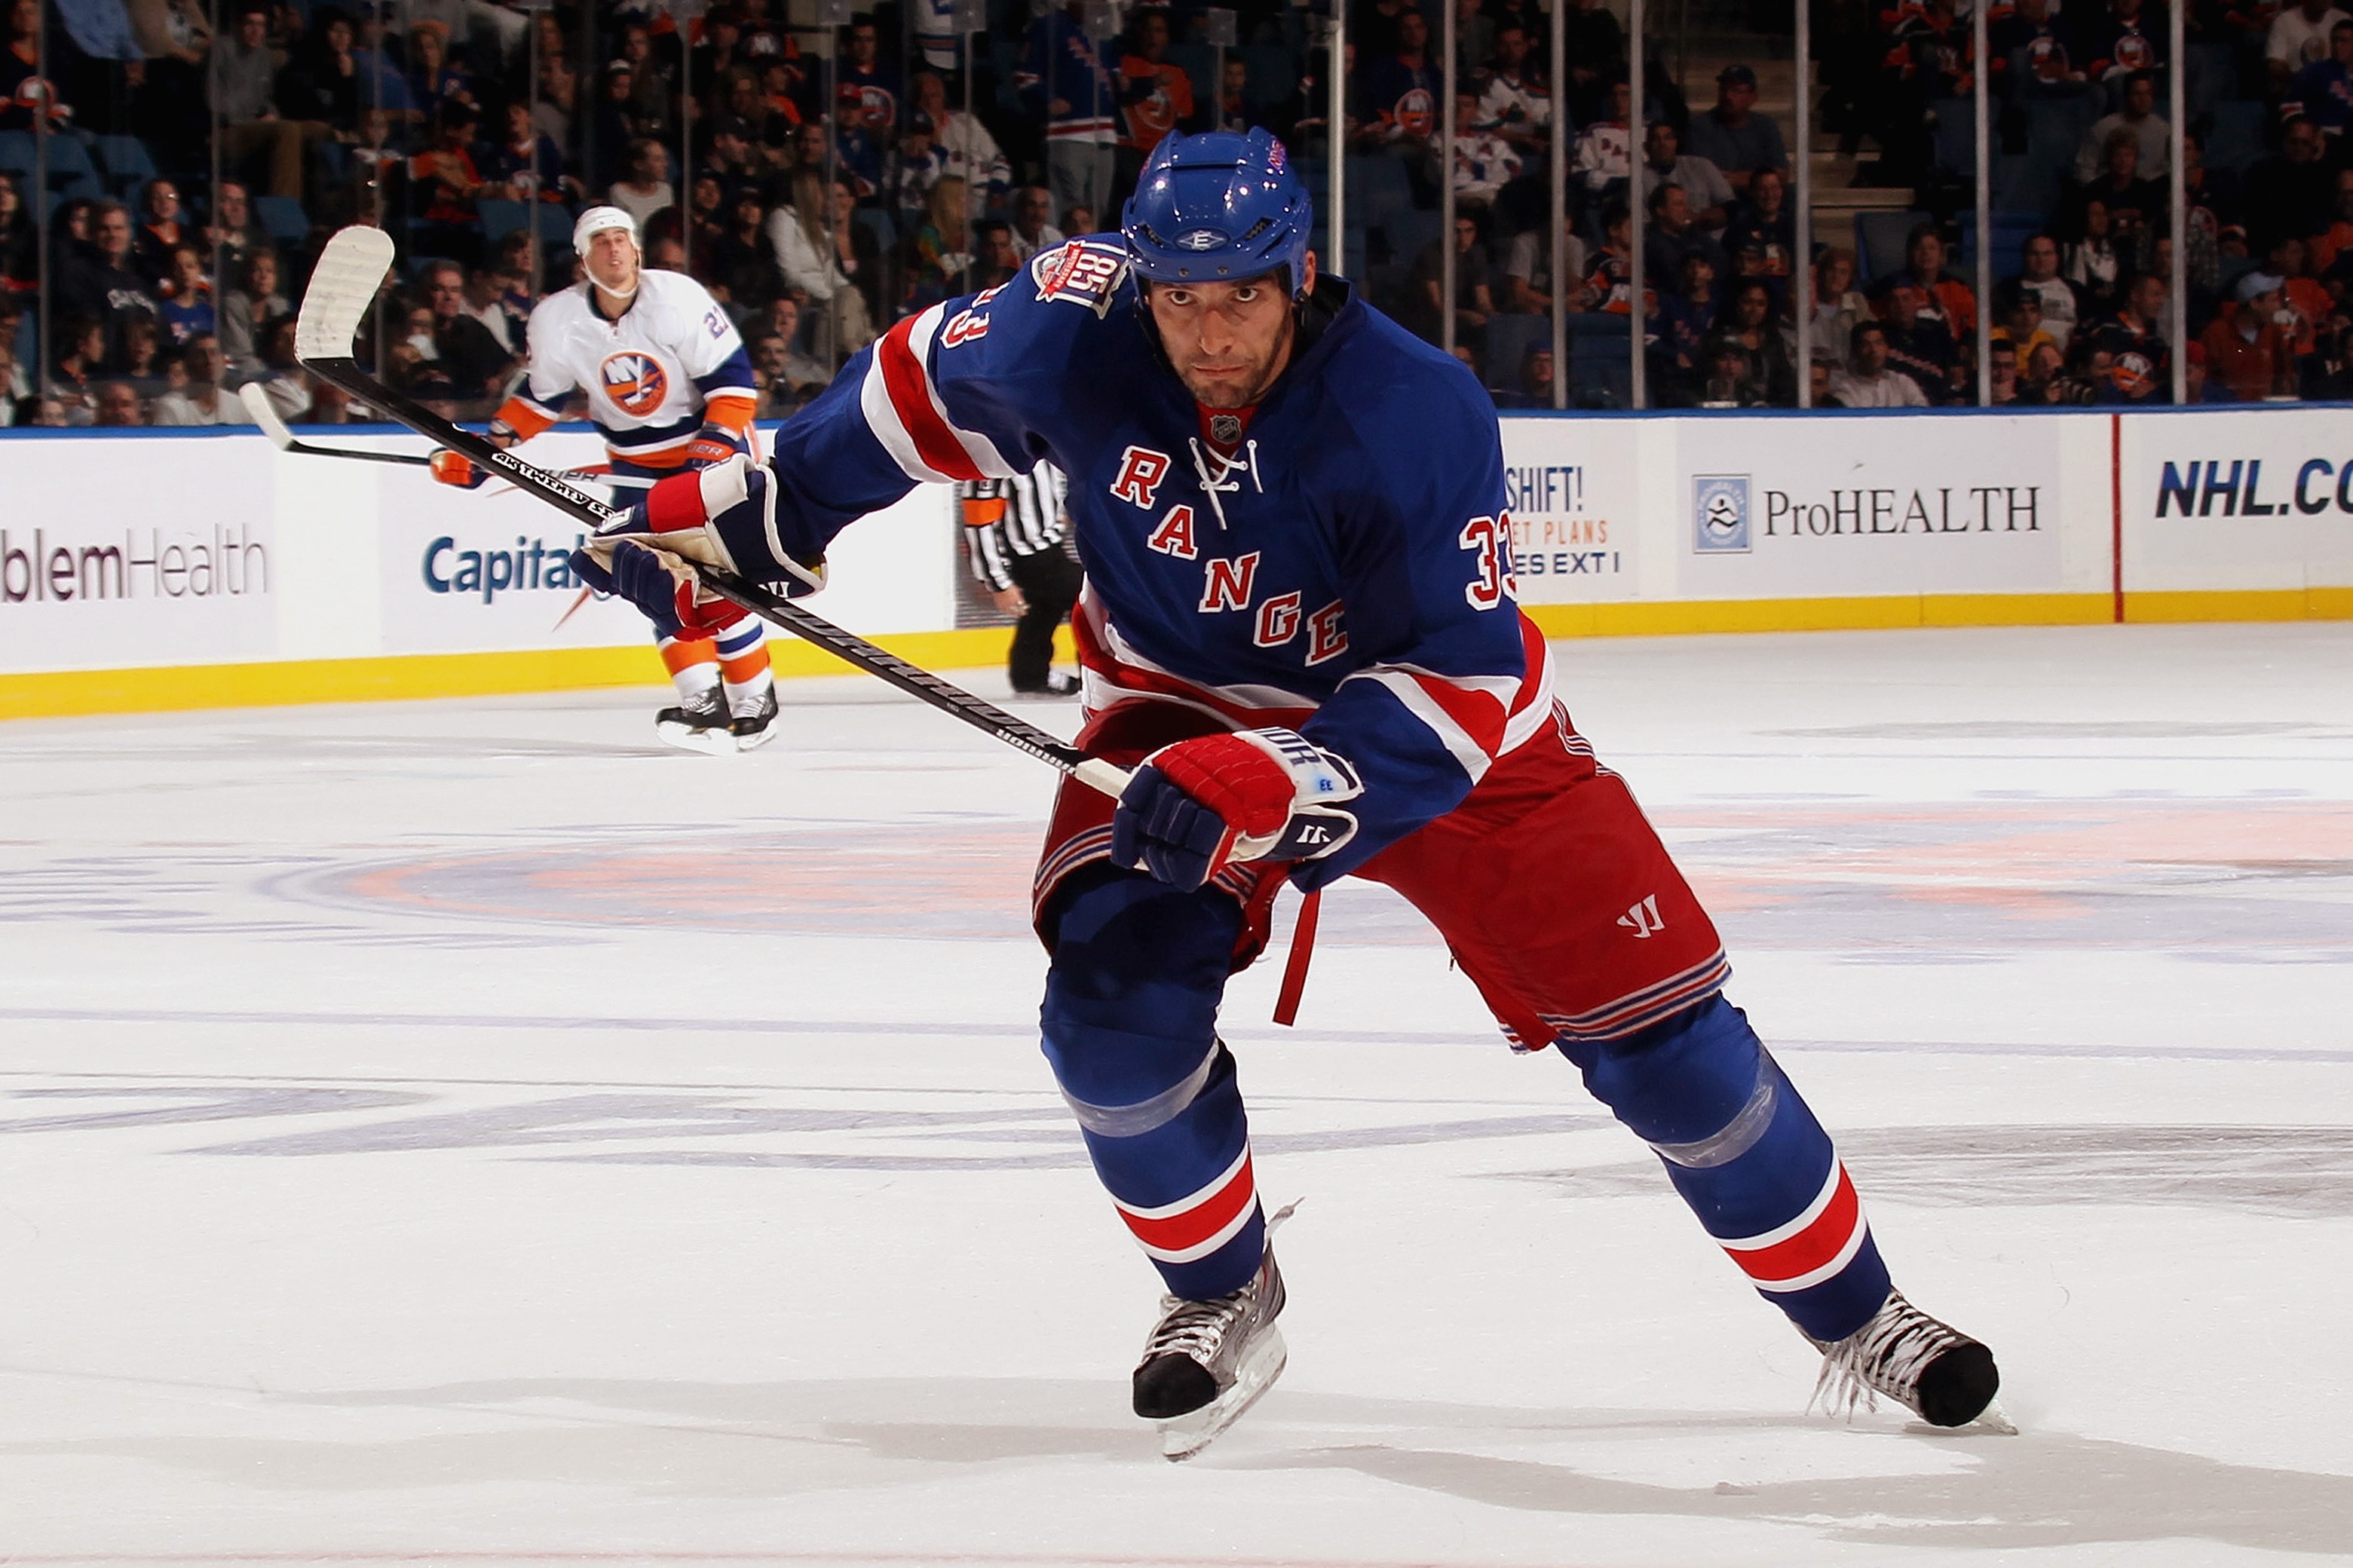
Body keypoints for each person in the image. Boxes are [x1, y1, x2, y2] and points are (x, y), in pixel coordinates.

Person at [574, 128, 2004, 1456]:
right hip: (1171, 705)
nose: (1207, 332)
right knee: (1111, 1011)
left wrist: (1282, 774)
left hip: (1441, 739)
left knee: (1664, 1042)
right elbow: (904, 391)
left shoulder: (1411, 408)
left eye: (1239, 298)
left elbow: (1462, 674)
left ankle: (1859, 1315)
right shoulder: (1063, 325)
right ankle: (1220, 1287)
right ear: (1143, 276)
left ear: (1298, 272)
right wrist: (756, 522)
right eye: (1180, 298)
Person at [434, 207, 777, 752]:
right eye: (601, 241)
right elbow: (539, 399)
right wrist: (488, 446)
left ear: (636, 249)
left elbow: (734, 388)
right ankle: (702, 704)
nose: (614, 249)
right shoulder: (556, 319)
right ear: (582, 257)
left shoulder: (678, 299)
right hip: (635, 465)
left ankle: (755, 701)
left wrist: (706, 458)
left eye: (622, 238)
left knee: (716, 581)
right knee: (650, 580)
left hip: (712, 451)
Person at [959, 463, 1083, 697]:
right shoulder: (991, 463)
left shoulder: (1043, 450)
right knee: (1095, 599)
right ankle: (1098, 675)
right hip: (1026, 558)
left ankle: (1030, 676)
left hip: (1049, 551)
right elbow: (979, 526)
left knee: (1043, 608)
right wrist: (999, 583)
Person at [1683, 63, 1786, 198]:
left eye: (1736, 91)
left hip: (1757, 198)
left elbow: (1782, 175)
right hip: (1716, 200)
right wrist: (1755, 178)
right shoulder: (1700, 127)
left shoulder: (1766, 126)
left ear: (1752, 97)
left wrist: (1737, 178)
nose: (1728, 96)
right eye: (1724, 89)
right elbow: (1701, 177)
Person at [1829, 320, 1932, 406]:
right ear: (1855, 351)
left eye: (1879, 343)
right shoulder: (1846, 390)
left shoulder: (1901, 382)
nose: (1874, 350)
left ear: (1887, 348)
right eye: (1866, 345)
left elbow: (1922, 413)